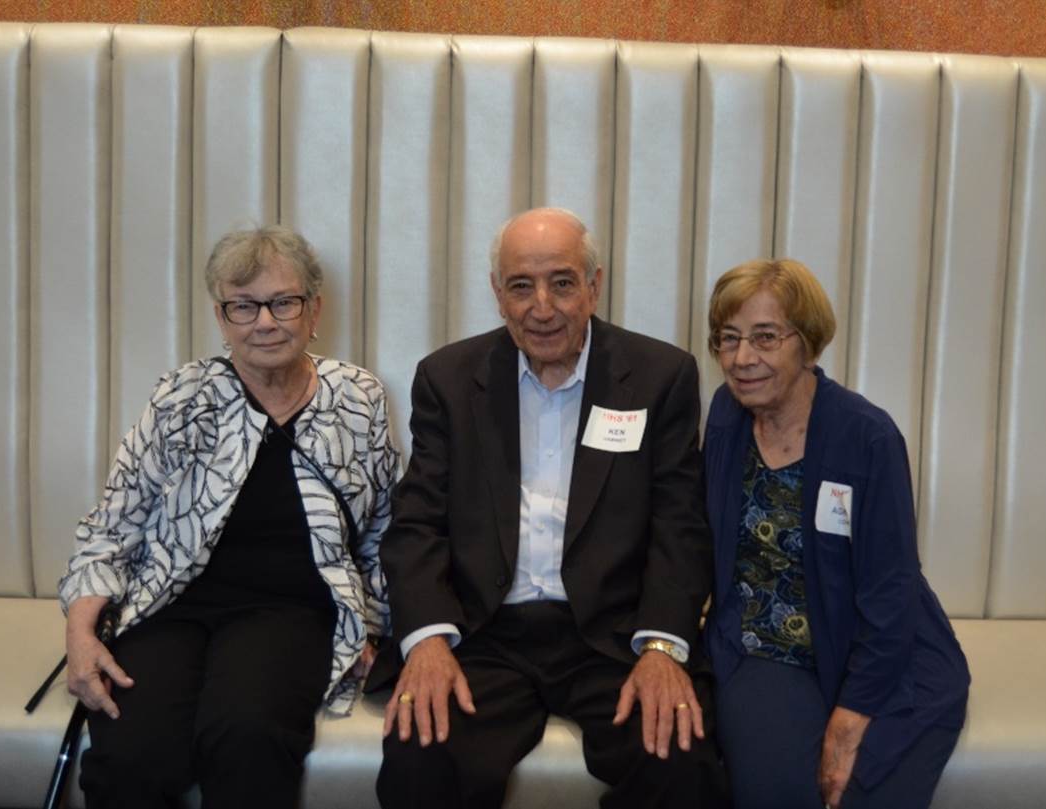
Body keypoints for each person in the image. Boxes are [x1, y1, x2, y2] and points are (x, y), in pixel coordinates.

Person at [372, 207, 727, 809]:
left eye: (562, 282)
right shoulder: (450, 379)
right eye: (520, 286)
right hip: (484, 633)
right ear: (497, 293)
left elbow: (680, 525)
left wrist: (663, 646)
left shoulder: (660, 376)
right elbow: (417, 523)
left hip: (611, 638)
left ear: (594, 285)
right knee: (420, 760)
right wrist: (428, 640)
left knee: (681, 762)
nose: (542, 306)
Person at [58, 225, 400, 808]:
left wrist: (377, 629)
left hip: (291, 610)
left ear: (313, 309)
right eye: (243, 306)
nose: (264, 322)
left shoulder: (357, 398)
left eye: (282, 302)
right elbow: (111, 527)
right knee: (133, 754)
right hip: (171, 606)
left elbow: (386, 533)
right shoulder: (182, 397)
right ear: (222, 319)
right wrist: (80, 634)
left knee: (247, 738)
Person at [702, 258, 970, 809]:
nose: (743, 359)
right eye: (728, 339)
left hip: (875, 645)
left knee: (863, 790)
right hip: (767, 644)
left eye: (765, 337)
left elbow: (891, 587)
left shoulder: (866, 436)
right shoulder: (727, 415)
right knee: (775, 792)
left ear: (808, 343)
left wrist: (850, 719)